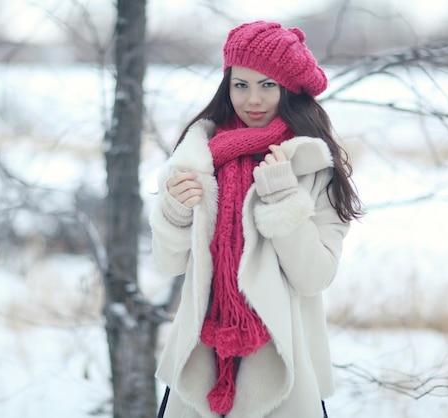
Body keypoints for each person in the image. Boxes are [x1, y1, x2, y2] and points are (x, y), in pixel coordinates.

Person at [149, 20, 363, 418]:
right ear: (227, 86)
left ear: (289, 90)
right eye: (241, 84)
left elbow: (314, 277)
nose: (253, 99)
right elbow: (168, 263)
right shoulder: (196, 160)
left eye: (268, 85)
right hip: (202, 363)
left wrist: (282, 197)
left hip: (284, 366)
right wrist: (175, 212)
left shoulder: (313, 166)